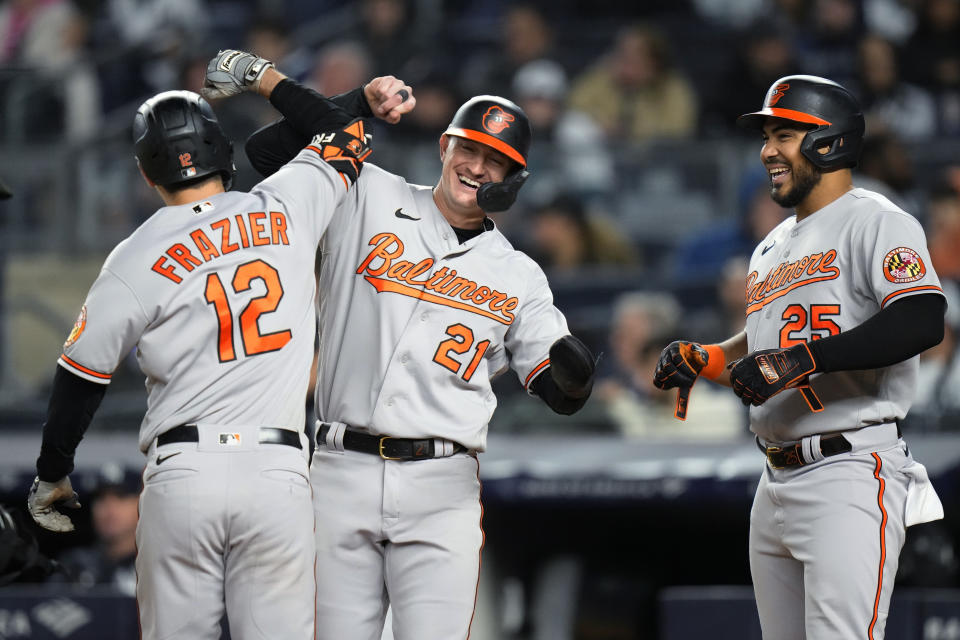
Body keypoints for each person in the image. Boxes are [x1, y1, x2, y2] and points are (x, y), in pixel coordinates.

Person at [203, 49, 597, 639]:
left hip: (442, 483)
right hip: (340, 469)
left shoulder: (518, 274)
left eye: (496, 160)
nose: (477, 166)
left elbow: (560, 392)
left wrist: (576, 373)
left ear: (513, 179)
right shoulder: (368, 196)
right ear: (445, 146)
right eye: (469, 148)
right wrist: (354, 102)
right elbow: (266, 154)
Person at [23, 59, 394, 638]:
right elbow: (342, 132)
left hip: (184, 473)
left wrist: (53, 474)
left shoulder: (134, 255)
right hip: (278, 471)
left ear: (148, 174)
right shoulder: (284, 205)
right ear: (224, 152)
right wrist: (268, 77)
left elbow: (81, 374)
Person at [652, 74, 946, 638]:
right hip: (775, 478)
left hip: (849, 467)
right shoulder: (772, 244)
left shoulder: (877, 218)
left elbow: (921, 317)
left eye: (783, 134)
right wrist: (706, 357)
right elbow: (762, 347)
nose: (767, 151)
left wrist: (804, 360)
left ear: (829, 141)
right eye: (766, 138)